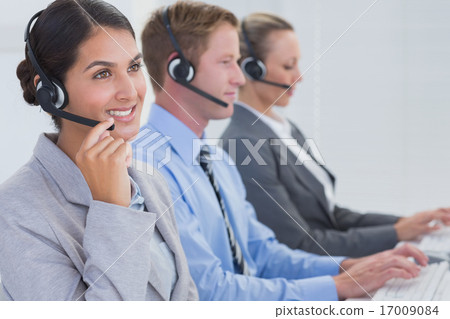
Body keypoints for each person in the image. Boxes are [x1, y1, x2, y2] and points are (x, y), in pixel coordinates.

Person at [136, 1, 428, 301]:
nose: (239, 77)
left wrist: (347, 267)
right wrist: (336, 287)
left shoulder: (216, 160)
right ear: (179, 69)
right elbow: (208, 290)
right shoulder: (147, 166)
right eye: (226, 62)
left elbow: (263, 254)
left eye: (238, 62)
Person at [0, 0, 197, 301]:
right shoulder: (15, 212)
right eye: (103, 73)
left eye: (133, 67)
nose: (130, 92)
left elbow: (185, 295)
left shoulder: (149, 180)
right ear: (51, 93)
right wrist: (113, 211)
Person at [221, 12, 450, 257]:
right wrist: (394, 234)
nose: (299, 76)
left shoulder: (282, 127)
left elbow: (329, 215)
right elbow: (299, 244)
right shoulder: (243, 144)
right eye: (288, 66)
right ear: (252, 69)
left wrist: (405, 224)